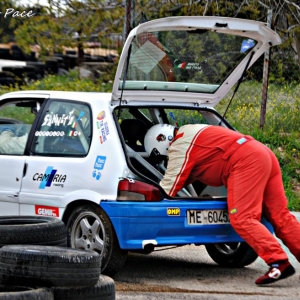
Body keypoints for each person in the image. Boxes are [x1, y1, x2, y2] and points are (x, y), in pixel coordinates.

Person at [144, 123, 300, 285]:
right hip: (261, 152)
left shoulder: (179, 145)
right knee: (280, 215)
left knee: (242, 217)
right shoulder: (191, 131)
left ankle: (278, 261)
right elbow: (191, 172)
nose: (167, 161)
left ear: (161, 142)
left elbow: (168, 187)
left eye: (164, 157)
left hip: (245, 161)